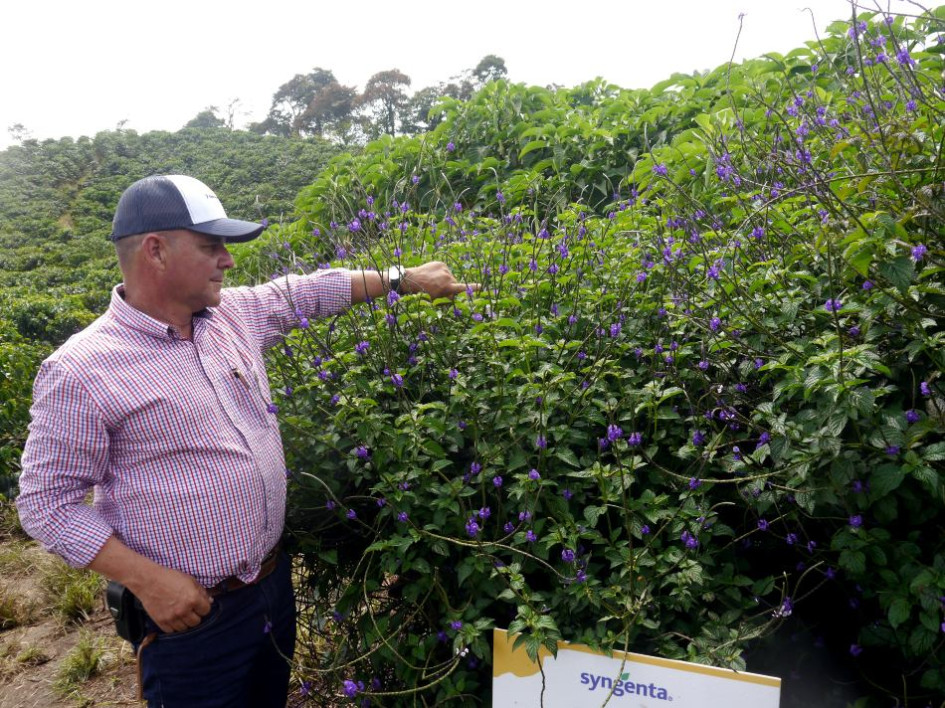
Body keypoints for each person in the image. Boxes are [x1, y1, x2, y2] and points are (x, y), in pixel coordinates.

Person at [15, 174, 473, 707]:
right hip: (191, 619)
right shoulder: (81, 369)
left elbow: (302, 292)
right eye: (211, 247)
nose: (227, 261)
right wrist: (149, 581)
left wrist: (400, 278)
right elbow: (46, 504)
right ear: (156, 251)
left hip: (269, 592)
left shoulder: (230, 316)